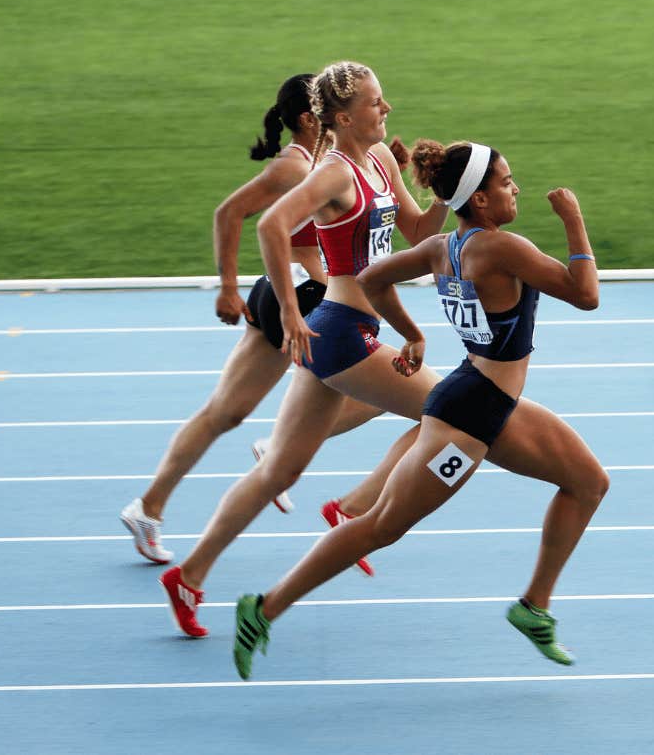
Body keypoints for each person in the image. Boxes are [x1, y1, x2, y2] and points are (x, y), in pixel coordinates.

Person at [231, 137, 609, 679]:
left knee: (588, 482)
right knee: (381, 526)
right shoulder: (503, 249)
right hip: (467, 421)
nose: (515, 189)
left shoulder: (443, 250)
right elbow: (586, 293)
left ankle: (534, 608)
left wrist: (413, 336)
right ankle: (264, 609)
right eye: (505, 182)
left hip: (483, 397)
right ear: (478, 199)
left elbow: (370, 278)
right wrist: (574, 220)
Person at [158, 61, 451, 637]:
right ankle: (357, 509)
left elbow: (416, 233)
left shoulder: (383, 161)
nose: (386, 109)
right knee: (451, 408)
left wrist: (448, 191)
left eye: (384, 98)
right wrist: (290, 309)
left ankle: (189, 575)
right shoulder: (333, 174)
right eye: (374, 102)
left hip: (337, 333)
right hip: (340, 332)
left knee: (279, 474)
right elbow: (270, 226)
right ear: (342, 117)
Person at [120, 73, 385, 565]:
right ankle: (278, 445)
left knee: (225, 411)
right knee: (389, 391)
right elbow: (230, 213)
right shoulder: (297, 166)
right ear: (311, 119)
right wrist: (225, 286)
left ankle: (148, 507)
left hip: (280, 292)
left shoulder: (334, 162)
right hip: (306, 300)